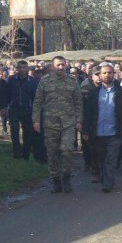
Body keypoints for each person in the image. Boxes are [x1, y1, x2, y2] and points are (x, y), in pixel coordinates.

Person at [32, 56, 83, 193]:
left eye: (63, 65)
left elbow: (78, 102)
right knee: (52, 154)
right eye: (58, 65)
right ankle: (55, 181)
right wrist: (36, 120)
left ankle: (66, 178)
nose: (61, 67)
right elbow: (37, 102)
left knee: (67, 150)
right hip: (50, 123)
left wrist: (79, 121)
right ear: (53, 67)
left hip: (68, 123)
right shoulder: (45, 82)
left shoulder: (72, 82)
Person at [83, 64, 122, 192]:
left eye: (110, 73)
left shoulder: (120, 91)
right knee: (100, 158)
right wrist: (85, 130)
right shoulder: (93, 93)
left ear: (114, 74)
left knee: (111, 159)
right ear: (99, 75)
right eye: (104, 73)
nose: (107, 75)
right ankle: (103, 176)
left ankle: (108, 183)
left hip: (115, 133)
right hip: (98, 132)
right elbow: (87, 113)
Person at [3, 60, 39, 160]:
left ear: (27, 69)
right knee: (14, 131)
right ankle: (16, 152)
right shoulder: (11, 80)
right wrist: (5, 106)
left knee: (27, 132)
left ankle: (26, 153)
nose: (22, 70)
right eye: (20, 68)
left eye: (24, 68)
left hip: (27, 109)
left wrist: (34, 110)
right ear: (17, 69)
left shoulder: (32, 82)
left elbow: (35, 97)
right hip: (14, 109)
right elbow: (7, 94)